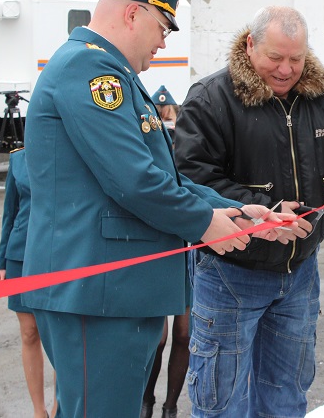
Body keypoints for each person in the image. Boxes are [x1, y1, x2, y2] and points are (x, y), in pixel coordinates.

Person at [21, 0, 306, 418]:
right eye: (162, 26)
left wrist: (239, 212)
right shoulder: (90, 68)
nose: (164, 41)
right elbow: (134, 181)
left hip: (113, 291)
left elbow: (164, 177)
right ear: (133, 14)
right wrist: (205, 224)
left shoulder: (109, 70)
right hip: (98, 290)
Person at [173, 5, 324, 417]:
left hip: (300, 273)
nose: (285, 70)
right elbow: (191, 176)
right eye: (274, 58)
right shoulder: (211, 99)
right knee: (220, 404)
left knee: (286, 399)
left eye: (296, 59)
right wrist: (252, 213)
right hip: (229, 273)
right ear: (249, 45)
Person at [0, 147, 57, 418]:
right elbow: (10, 211)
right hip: (20, 256)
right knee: (29, 332)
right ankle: (38, 410)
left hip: (58, 254)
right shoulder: (18, 158)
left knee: (58, 336)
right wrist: (1, 262)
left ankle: (60, 407)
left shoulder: (67, 150)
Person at [141, 85, 185, 418]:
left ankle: (170, 406)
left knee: (183, 335)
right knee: (158, 337)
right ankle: (147, 401)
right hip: (160, 247)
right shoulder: (146, 142)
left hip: (187, 248)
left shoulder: (186, 140)